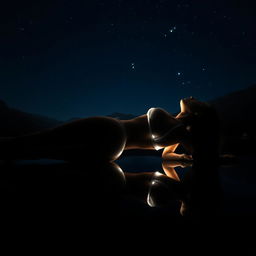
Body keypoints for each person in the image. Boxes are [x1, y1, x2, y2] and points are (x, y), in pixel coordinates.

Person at [0, 97, 213, 162]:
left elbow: (194, 148)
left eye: (198, 102)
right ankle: (8, 152)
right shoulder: (175, 131)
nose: (193, 98)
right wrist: (185, 158)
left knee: (46, 138)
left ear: (197, 114)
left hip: (112, 129)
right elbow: (167, 157)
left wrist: (210, 156)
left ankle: (6, 147)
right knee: (48, 152)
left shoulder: (178, 130)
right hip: (115, 150)